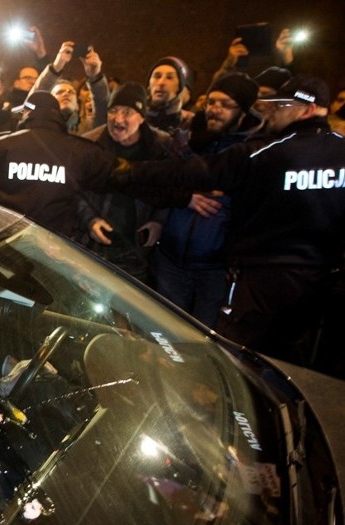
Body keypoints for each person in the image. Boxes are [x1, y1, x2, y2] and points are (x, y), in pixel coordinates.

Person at [114, 75, 345, 367]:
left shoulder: (266, 154)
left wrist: (128, 171)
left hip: (258, 285)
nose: (271, 111)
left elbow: (192, 171)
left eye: (282, 105)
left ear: (308, 109)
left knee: (234, 360)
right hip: (317, 287)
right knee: (287, 365)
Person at [0, 90, 190, 238]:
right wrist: (184, 195)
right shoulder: (80, 151)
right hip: (56, 253)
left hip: (5, 244)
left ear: (27, 113)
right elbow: (132, 177)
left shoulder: (3, 146)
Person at [151, 72, 261, 327]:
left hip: (215, 268)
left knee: (205, 338)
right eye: (211, 102)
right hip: (171, 258)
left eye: (225, 104)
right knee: (164, 330)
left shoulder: (252, 152)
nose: (215, 110)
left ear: (244, 111)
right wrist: (185, 196)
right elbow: (161, 183)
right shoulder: (190, 140)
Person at [77, 82, 172, 283]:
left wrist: (158, 221)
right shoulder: (90, 144)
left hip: (135, 250)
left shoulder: (160, 148)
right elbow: (75, 188)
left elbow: (169, 186)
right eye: (113, 111)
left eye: (127, 112)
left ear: (142, 117)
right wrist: (90, 219)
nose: (118, 119)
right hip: (93, 248)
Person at [30, 41, 109, 134]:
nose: (66, 93)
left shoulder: (89, 129)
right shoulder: (39, 127)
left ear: (77, 105)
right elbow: (33, 101)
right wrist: (56, 68)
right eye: (59, 92)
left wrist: (95, 76)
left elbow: (102, 106)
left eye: (71, 92)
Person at [146, 56, 194, 134]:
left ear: (179, 87)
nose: (161, 82)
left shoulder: (190, 122)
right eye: (157, 76)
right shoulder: (135, 120)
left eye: (169, 77)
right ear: (149, 85)